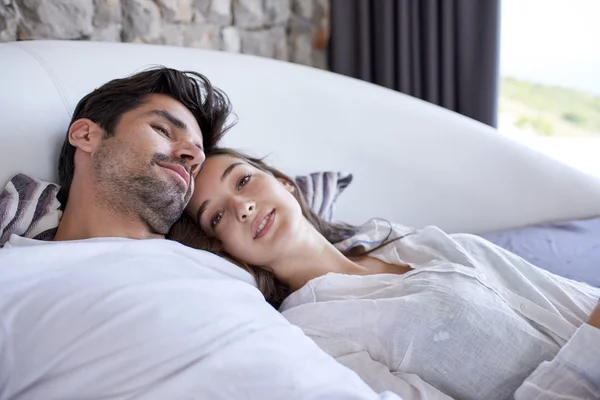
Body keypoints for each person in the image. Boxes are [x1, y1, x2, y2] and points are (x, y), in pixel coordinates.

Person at [0, 68, 400, 400]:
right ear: (87, 135)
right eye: (163, 129)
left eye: (195, 154)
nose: (191, 155)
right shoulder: (17, 276)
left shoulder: (228, 266)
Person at [172, 147, 600, 400]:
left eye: (243, 181)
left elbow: (566, 297)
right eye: (217, 217)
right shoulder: (312, 336)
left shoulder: (394, 236)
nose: (241, 206)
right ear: (226, 250)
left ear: (284, 183)